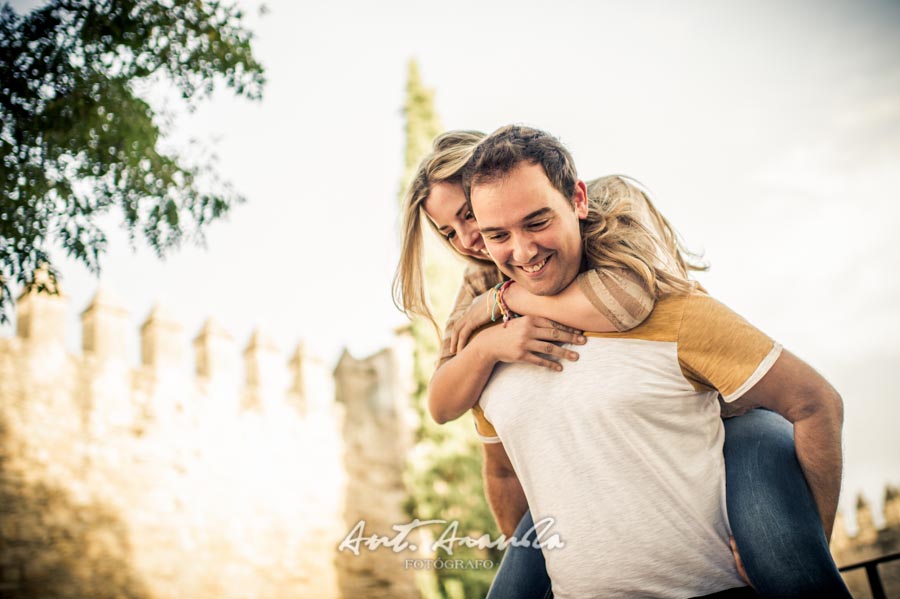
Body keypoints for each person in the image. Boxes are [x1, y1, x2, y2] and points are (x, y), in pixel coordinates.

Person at [393, 130, 850, 597]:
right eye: (451, 231)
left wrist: (505, 298)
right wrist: (489, 344)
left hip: (735, 419)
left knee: (783, 550)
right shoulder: (484, 303)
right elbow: (453, 415)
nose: (468, 238)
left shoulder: (614, 227)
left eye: (469, 214)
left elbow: (626, 304)